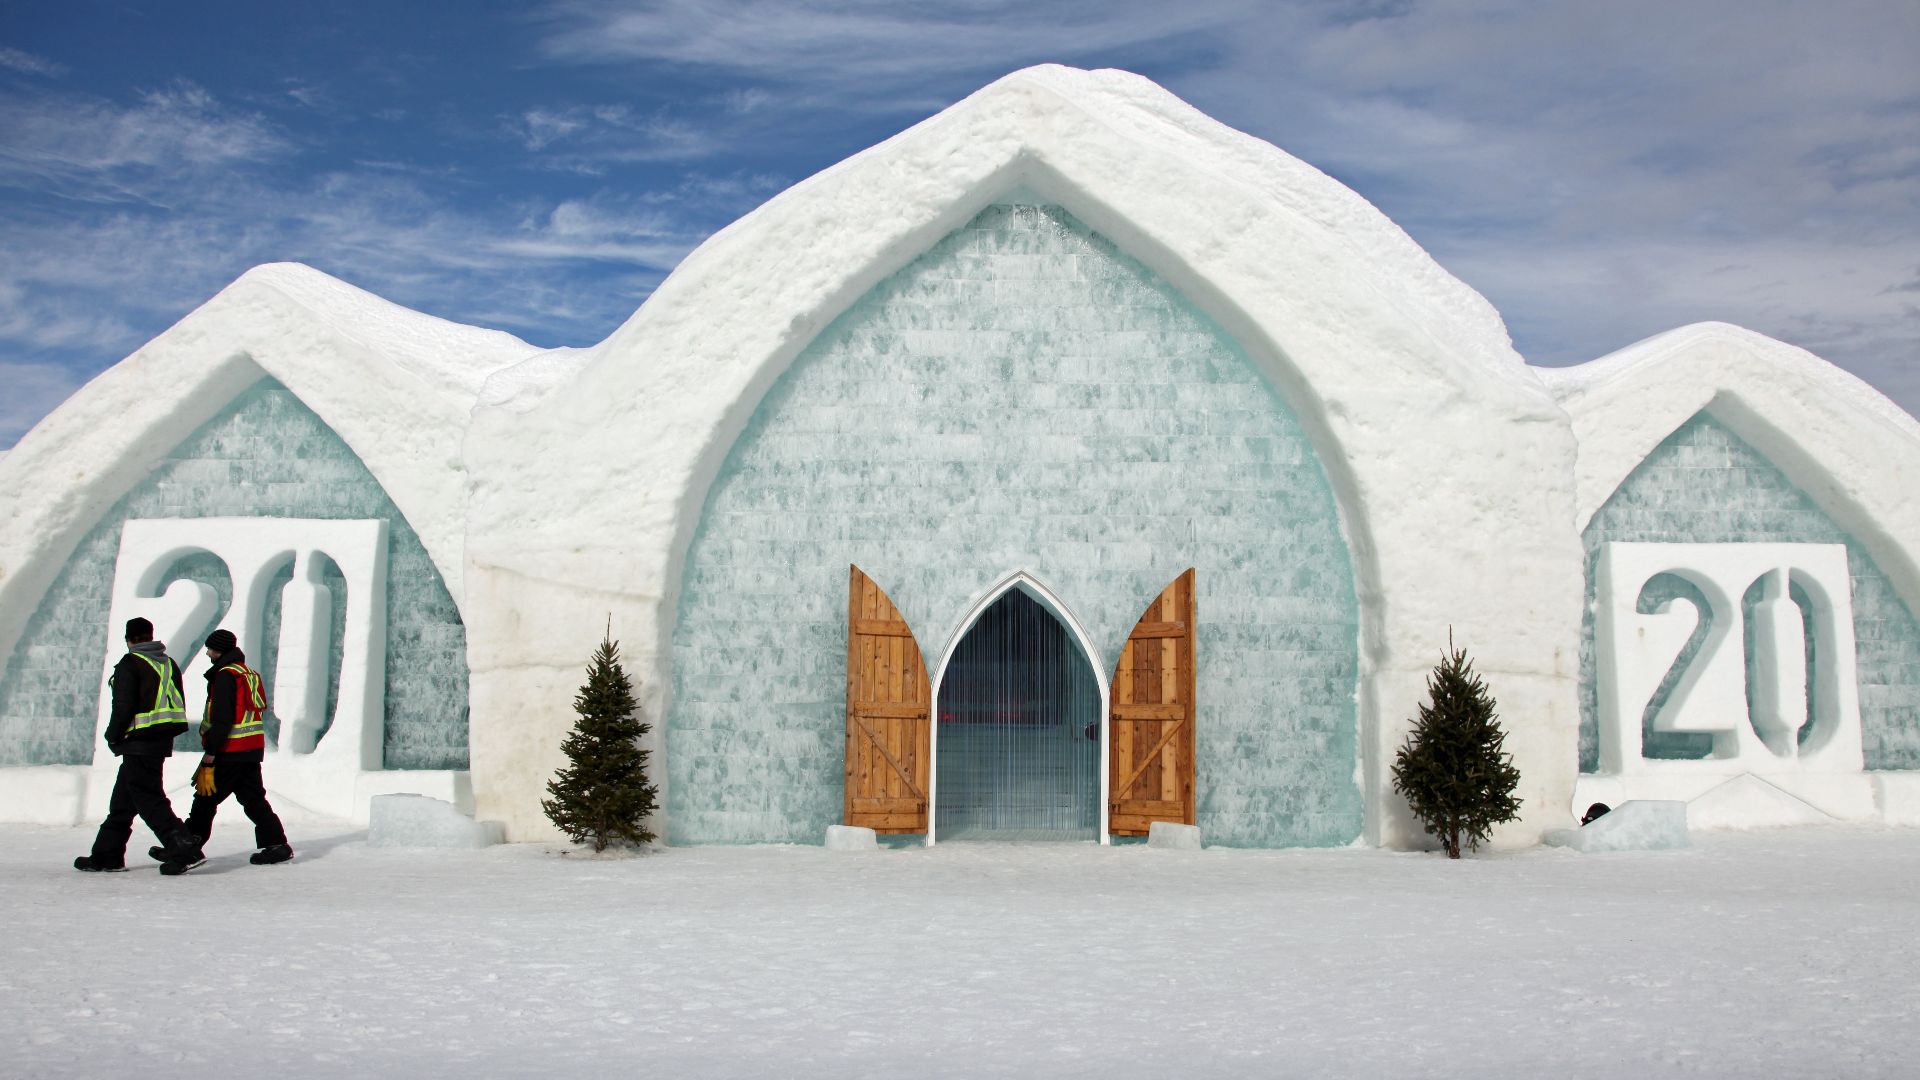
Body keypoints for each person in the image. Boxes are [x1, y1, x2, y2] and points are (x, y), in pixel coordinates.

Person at [75, 617, 204, 873]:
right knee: (123, 802)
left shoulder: (131, 663)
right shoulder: (167, 663)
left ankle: (184, 848)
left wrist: (113, 735)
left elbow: (124, 707)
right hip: (159, 741)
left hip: (138, 742)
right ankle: (107, 855)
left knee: (149, 799)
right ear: (150, 636)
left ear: (130, 639)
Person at [160, 628, 292, 870]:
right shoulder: (247, 673)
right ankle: (276, 845)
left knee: (205, 798)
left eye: (210, 648)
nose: (208, 652)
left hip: (229, 749)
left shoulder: (225, 676)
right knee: (252, 799)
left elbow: (223, 718)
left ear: (219, 650)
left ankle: (188, 849)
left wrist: (211, 752)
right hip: (250, 749)